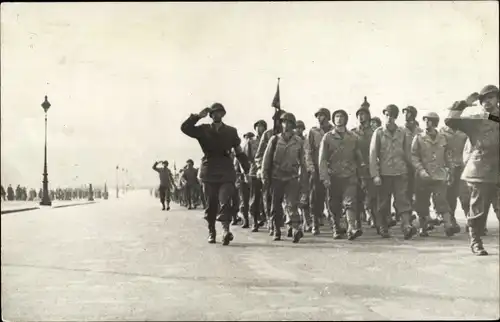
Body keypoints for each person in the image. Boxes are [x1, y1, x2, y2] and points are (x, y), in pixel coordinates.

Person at [181, 102, 250, 246]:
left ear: (223, 114)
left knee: (225, 200)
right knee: (211, 203)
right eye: (214, 113)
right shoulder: (203, 129)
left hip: (226, 170)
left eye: (220, 112)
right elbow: (185, 128)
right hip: (209, 171)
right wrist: (197, 116)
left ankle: (225, 231)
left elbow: (239, 152)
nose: (217, 115)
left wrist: (247, 169)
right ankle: (211, 231)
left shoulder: (231, 131)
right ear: (210, 115)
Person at [444, 85, 499, 256]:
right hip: (480, 171)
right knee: (478, 211)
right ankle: (476, 242)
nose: (487, 101)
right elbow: (450, 120)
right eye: (484, 99)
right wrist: (464, 104)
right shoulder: (475, 121)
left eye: (491, 97)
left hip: (498, 170)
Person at [369, 104, 417, 239]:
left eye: (392, 116)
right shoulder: (378, 132)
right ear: (384, 115)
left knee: (403, 200)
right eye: (387, 115)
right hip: (384, 173)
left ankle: (406, 226)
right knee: (383, 202)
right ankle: (383, 227)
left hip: (400, 172)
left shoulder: (402, 132)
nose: (389, 118)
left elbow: (408, 153)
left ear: (396, 117)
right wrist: (375, 175)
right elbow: (373, 155)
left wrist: (413, 168)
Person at [262, 112, 307, 243]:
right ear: (281, 124)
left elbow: (303, 161)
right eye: (284, 122)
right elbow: (266, 160)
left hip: (292, 176)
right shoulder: (275, 140)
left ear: (293, 125)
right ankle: (276, 229)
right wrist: (265, 177)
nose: (286, 125)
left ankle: (295, 229)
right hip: (276, 177)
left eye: (289, 123)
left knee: (292, 204)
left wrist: (304, 178)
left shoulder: (298, 141)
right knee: (276, 205)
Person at [320, 109, 364, 240]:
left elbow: (358, 157)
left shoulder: (352, 137)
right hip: (333, 175)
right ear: (333, 120)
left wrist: (361, 171)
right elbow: (322, 159)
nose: (339, 119)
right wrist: (324, 177)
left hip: (350, 174)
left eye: (341, 116)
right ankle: (336, 227)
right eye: (336, 116)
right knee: (334, 204)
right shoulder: (327, 137)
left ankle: (351, 228)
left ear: (346, 119)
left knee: (350, 202)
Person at [411, 111, 455, 237]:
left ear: (435, 123)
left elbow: (448, 156)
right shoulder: (418, 138)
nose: (426, 123)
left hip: (439, 175)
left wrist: (450, 171)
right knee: (422, 202)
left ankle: (448, 226)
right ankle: (423, 227)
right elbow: (414, 157)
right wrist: (421, 170)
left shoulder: (443, 138)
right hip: (423, 176)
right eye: (425, 120)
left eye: (429, 120)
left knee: (441, 200)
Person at [304, 107, 335, 235]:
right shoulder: (313, 132)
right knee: (315, 197)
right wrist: (311, 167)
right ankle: (315, 223)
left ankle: (335, 224)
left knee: (333, 197)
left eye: (321, 115)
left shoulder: (335, 131)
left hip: (332, 169)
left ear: (327, 117)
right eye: (317, 116)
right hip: (316, 169)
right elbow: (308, 151)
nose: (319, 118)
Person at [351, 97, 378, 231]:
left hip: (370, 167)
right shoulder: (352, 133)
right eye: (359, 115)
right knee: (356, 195)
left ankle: (372, 216)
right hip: (356, 168)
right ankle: (357, 223)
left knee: (372, 195)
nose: (361, 117)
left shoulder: (374, 132)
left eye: (363, 114)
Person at [247, 120, 268, 232]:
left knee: (267, 196)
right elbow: (247, 157)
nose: (260, 128)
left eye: (262, 126)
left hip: (267, 172)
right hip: (254, 172)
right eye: (258, 126)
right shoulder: (251, 142)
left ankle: (267, 219)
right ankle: (254, 221)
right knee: (255, 197)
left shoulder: (268, 140)